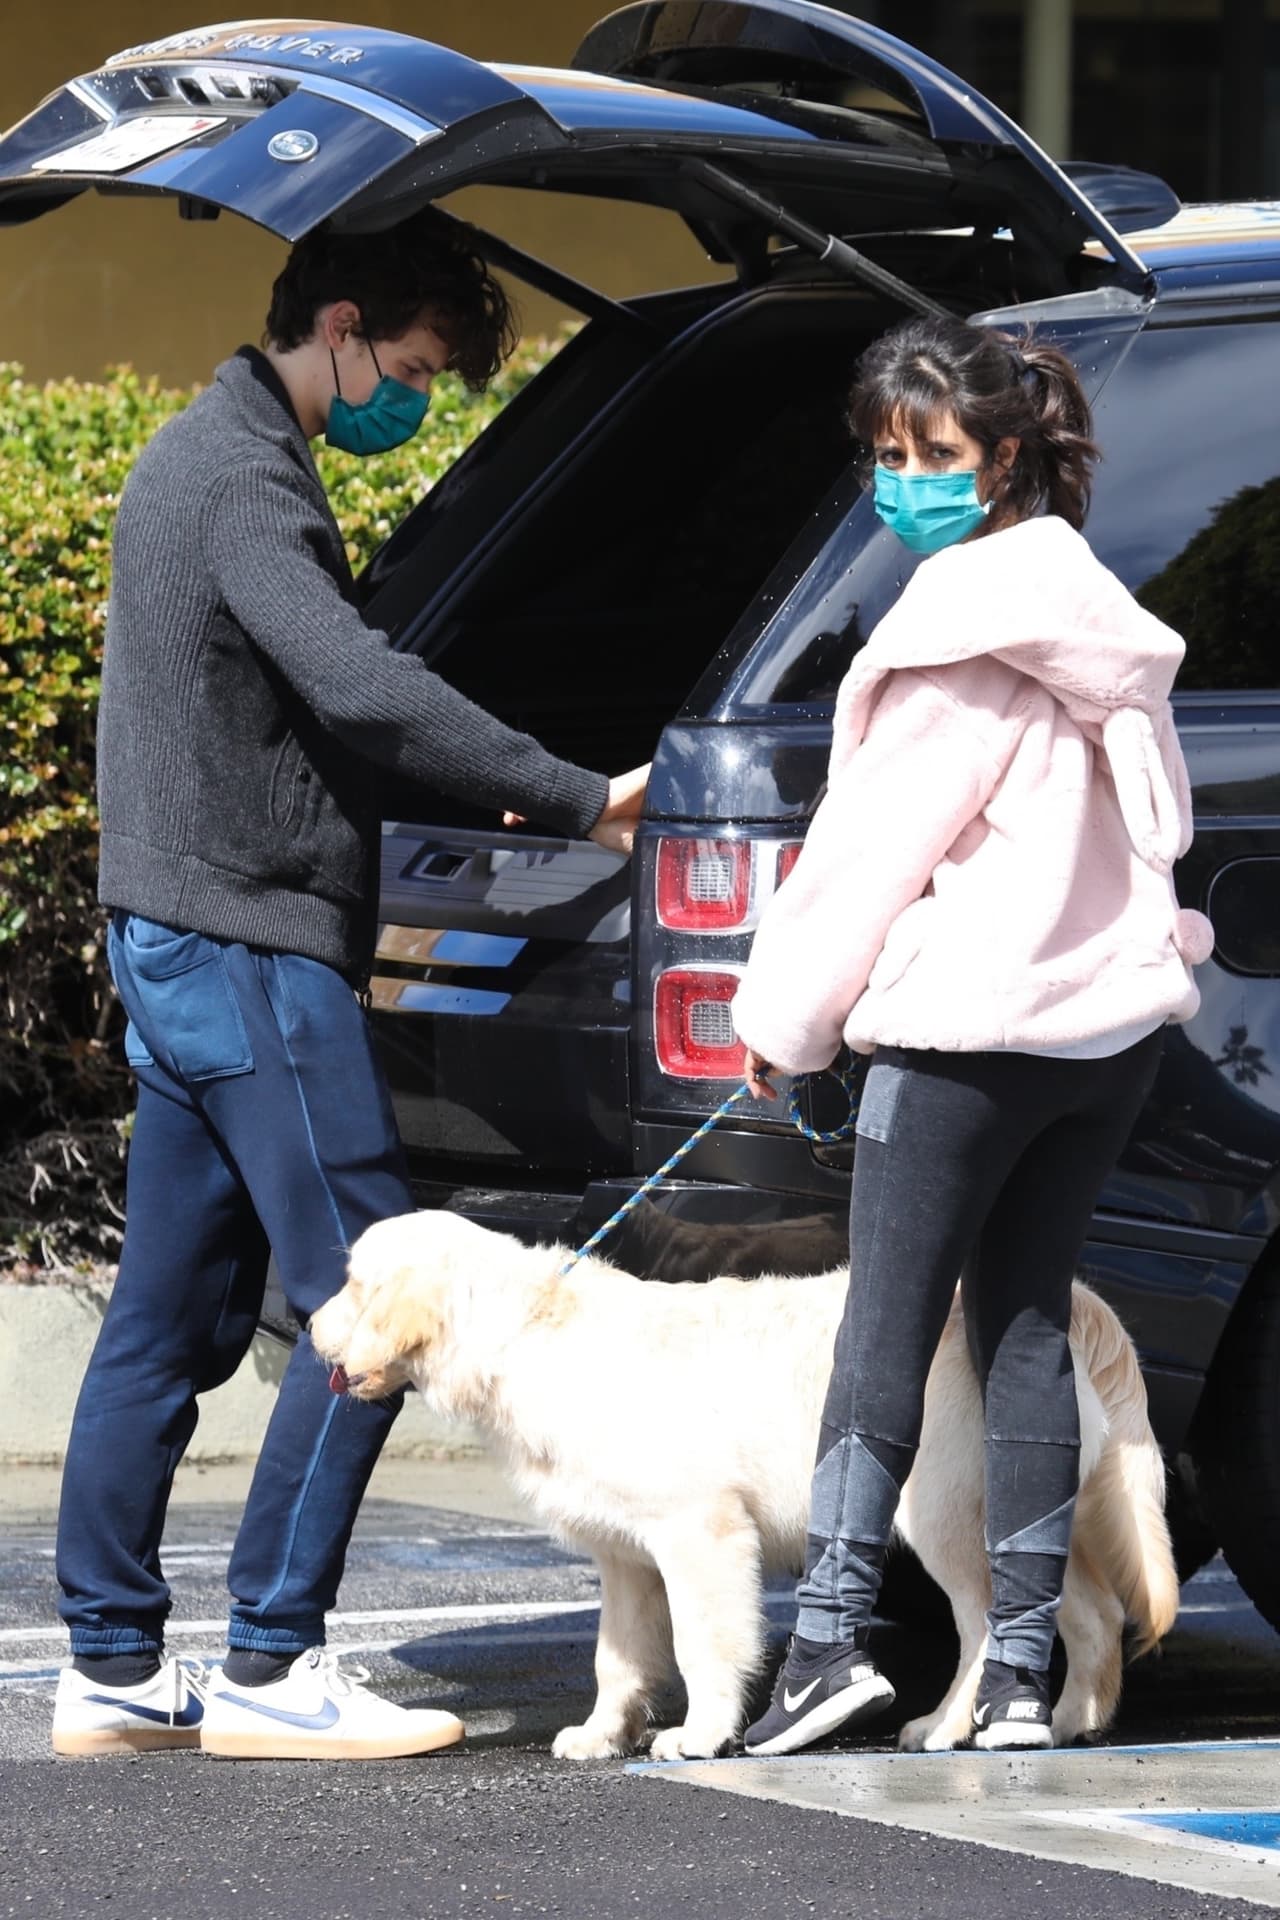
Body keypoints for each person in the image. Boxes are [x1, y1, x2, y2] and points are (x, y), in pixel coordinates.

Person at [51, 209, 649, 1761]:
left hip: (181, 942)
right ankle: (270, 1661)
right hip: (248, 944)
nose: (416, 401)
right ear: (338, 324)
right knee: (375, 1294)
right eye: (416, 366)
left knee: (167, 1321)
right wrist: (577, 795)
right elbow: (363, 688)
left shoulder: (206, 452)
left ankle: (112, 1667)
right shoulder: (245, 475)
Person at [731, 313, 1212, 1757]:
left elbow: (865, 860)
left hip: (963, 1038)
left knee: (880, 1339)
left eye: (930, 454)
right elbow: (1159, 829)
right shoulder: (1103, 624)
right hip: (1102, 1037)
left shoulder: (952, 636)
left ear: (1003, 456)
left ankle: (826, 1649)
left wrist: (785, 1026)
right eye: (885, 454)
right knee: (1021, 1330)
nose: (904, 481)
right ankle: (1012, 1676)